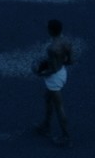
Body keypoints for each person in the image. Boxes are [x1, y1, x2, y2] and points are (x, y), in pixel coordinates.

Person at [32, 18, 74, 146]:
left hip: (54, 78)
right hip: (62, 72)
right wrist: (60, 61)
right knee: (47, 98)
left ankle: (66, 137)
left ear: (51, 31)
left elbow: (53, 69)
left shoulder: (51, 49)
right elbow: (70, 60)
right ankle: (46, 125)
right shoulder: (66, 41)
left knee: (59, 107)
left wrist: (39, 73)